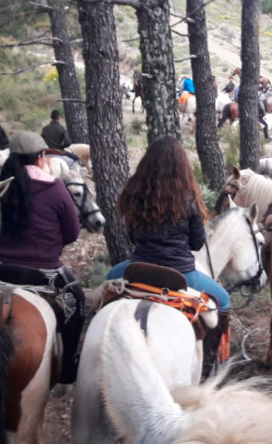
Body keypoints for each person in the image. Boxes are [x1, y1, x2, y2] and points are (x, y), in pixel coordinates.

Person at [105, 136, 230, 376]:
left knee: (109, 280)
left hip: (139, 268)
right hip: (181, 273)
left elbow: (132, 237)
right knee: (223, 300)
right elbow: (196, 243)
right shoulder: (190, 198)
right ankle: (212, 363)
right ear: (182, 166)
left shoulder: (135, 194)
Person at [0, 131, 84, 384]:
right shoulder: (55, 188)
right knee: (76, 303)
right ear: (40, 158)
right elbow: (72, 233)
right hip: (44, 273)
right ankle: (68, 366)